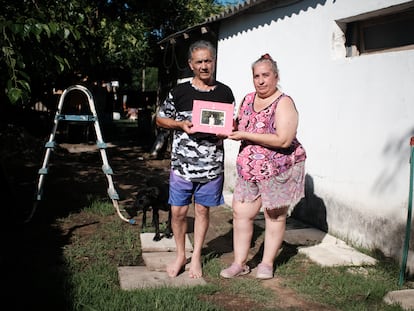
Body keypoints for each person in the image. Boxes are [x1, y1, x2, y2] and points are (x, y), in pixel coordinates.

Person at [220, 53, 306, 279]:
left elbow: (284, 140)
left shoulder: (284, 102)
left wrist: (246, 135)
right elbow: (240, 123)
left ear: (276, 77)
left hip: (278, 169)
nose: (260, 80)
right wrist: (223, 125)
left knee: (274, 216)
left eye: (265, 75)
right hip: (248, 170)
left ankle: (266, 263)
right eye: (256, 76)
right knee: (241, 214)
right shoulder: (248, 99)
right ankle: (240, 263)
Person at [156, 40, 235, 278]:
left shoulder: (225, 92)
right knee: (178, 212)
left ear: (214, 62)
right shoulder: (178, 92)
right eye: (199, 61)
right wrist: (179, 124)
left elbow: (231, 124)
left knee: (202, 211)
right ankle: (181, 254)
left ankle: (197, 257)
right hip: (182, 166)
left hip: (211, 167)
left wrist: (227, 132)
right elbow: (160, 119)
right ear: (191, 65)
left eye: (208, 60)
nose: (204, 65)